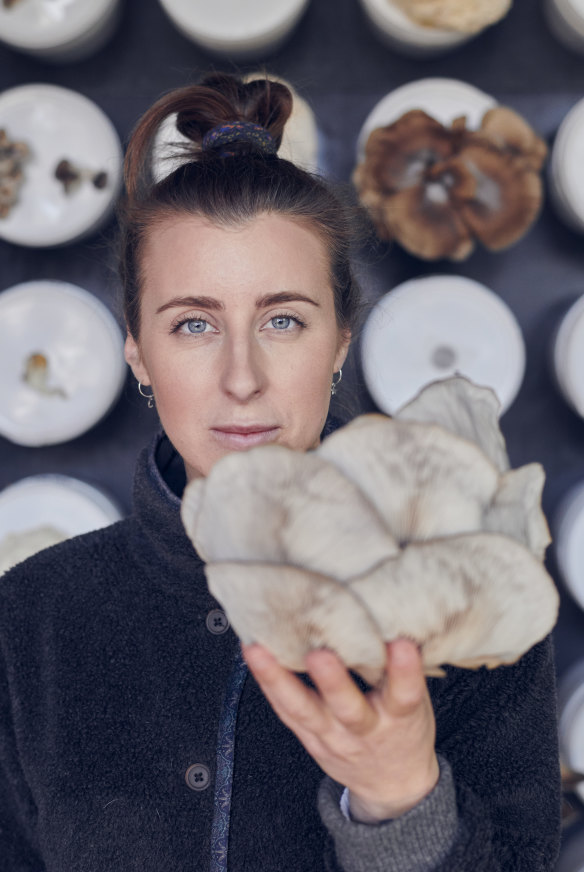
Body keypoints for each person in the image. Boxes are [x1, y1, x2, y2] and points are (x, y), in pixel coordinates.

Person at [0, 72, 561, 872]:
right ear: (136, 350)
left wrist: (401, 798)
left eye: (284, 320)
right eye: (193, 323)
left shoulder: (474, 595)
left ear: (338, 343)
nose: (241, 377)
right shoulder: (31, 617)